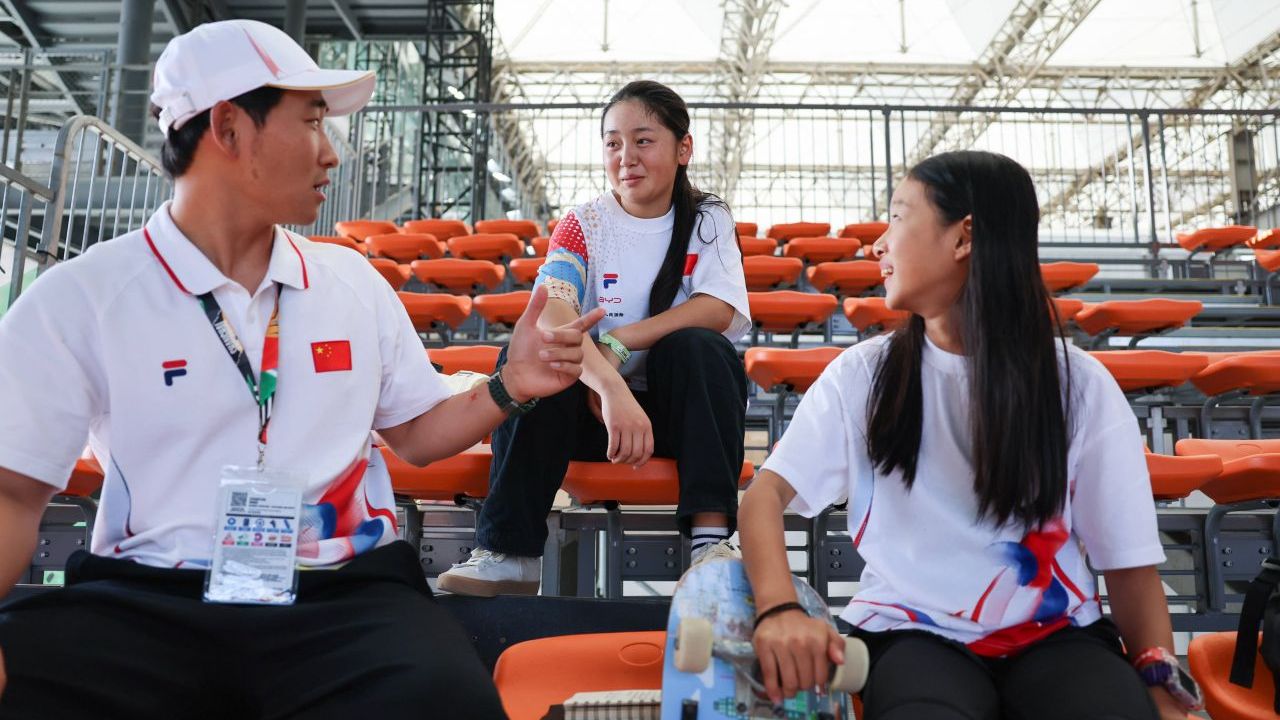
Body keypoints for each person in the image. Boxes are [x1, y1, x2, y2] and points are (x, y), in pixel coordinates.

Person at [0, 20, 600, 718]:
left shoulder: (350, 281)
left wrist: (509, 385)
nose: (332, 154)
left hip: (341, 594)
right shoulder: (84, 296)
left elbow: (416, 434)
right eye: (313, 123)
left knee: (446, 698)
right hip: (148, 598)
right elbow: (11, 493)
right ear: (227, 128)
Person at [739, 151, 1201, 720]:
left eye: (899, 218)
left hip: (1057, 634)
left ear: (965, 237)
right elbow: (764, 497)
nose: (878, 245)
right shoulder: (862, 376)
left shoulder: (1078, 384)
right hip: (909, 633)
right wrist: (778, 609)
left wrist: (1160, 680)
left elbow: (1129, 566)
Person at [437, 80, 752, 597]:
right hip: (593, 419)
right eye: (612, 143)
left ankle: (712, 543)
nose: (626, 156)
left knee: (700, 346)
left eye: (644, 140)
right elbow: (555, 316)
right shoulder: (582, 224)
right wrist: (609, 388)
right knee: (533, 358)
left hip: (680, 421)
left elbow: (717, 309)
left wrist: (622, 340)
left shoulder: (708, 220)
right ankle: (510, 551)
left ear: (683, 149)